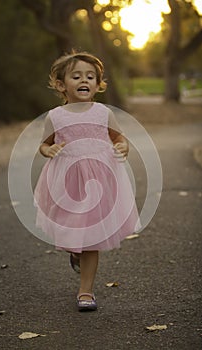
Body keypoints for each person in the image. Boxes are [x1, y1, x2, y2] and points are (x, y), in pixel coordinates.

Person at [34, 51, 140, 312]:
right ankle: (75, 252)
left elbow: (119, 138)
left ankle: (85, 291)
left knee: (91, 237)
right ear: (61, 85)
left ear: (98, 84)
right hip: (67, 184)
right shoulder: (55, 117)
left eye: (90, 76)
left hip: (99, 183)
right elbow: (44, 144)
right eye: (77, 76)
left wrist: (123, 147)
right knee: (75, 234)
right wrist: (48, 151)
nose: (85, 80)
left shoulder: (104, 113)